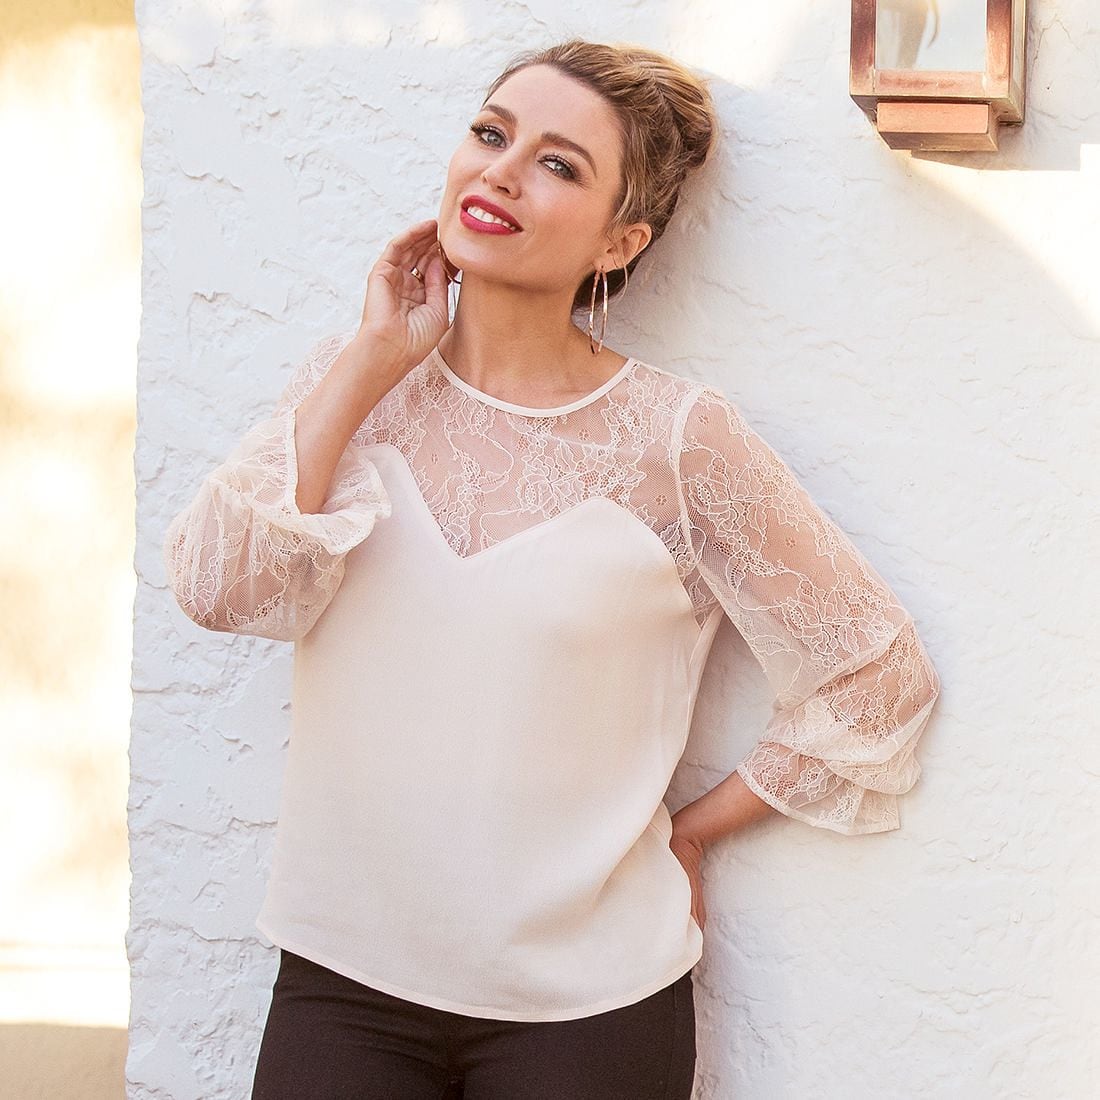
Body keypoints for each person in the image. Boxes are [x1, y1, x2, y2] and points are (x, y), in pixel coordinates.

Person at [163, 38, 941, 1100]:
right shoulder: (355, 391)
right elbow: (220, 590)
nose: (499, 172)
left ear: (621, 238)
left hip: (591, 1015)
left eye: (557, 164)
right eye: (491, 134)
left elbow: (877, 672)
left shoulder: (679, 439)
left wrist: (690, 835)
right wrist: (369, 359)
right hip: (341, 981)